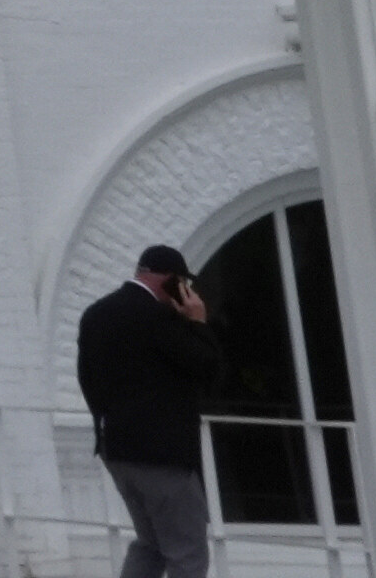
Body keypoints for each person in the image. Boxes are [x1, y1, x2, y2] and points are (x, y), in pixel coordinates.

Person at [79, 239, 222, 578]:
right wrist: (197, 322)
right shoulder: (158, 316)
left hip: (117, 448)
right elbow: (208, 368)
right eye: (181, 283)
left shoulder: (96, 313)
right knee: (188, 553)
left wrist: (107, 422)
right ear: (168, 279)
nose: (185, 290)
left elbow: (87, 379)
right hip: (163, 456)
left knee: (151, 545)